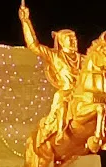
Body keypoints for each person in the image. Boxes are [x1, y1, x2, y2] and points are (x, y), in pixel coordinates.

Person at [19, 4, 82, 145]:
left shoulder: (83, 59)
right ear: (61, 42)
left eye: (75, 38)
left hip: (82, 93)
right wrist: (26, 21)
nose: (74, 41)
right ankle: (60, 132)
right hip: (66, 92)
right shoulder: (54, 56)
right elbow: (33, 45)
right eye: (69, 39)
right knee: (62, 101)